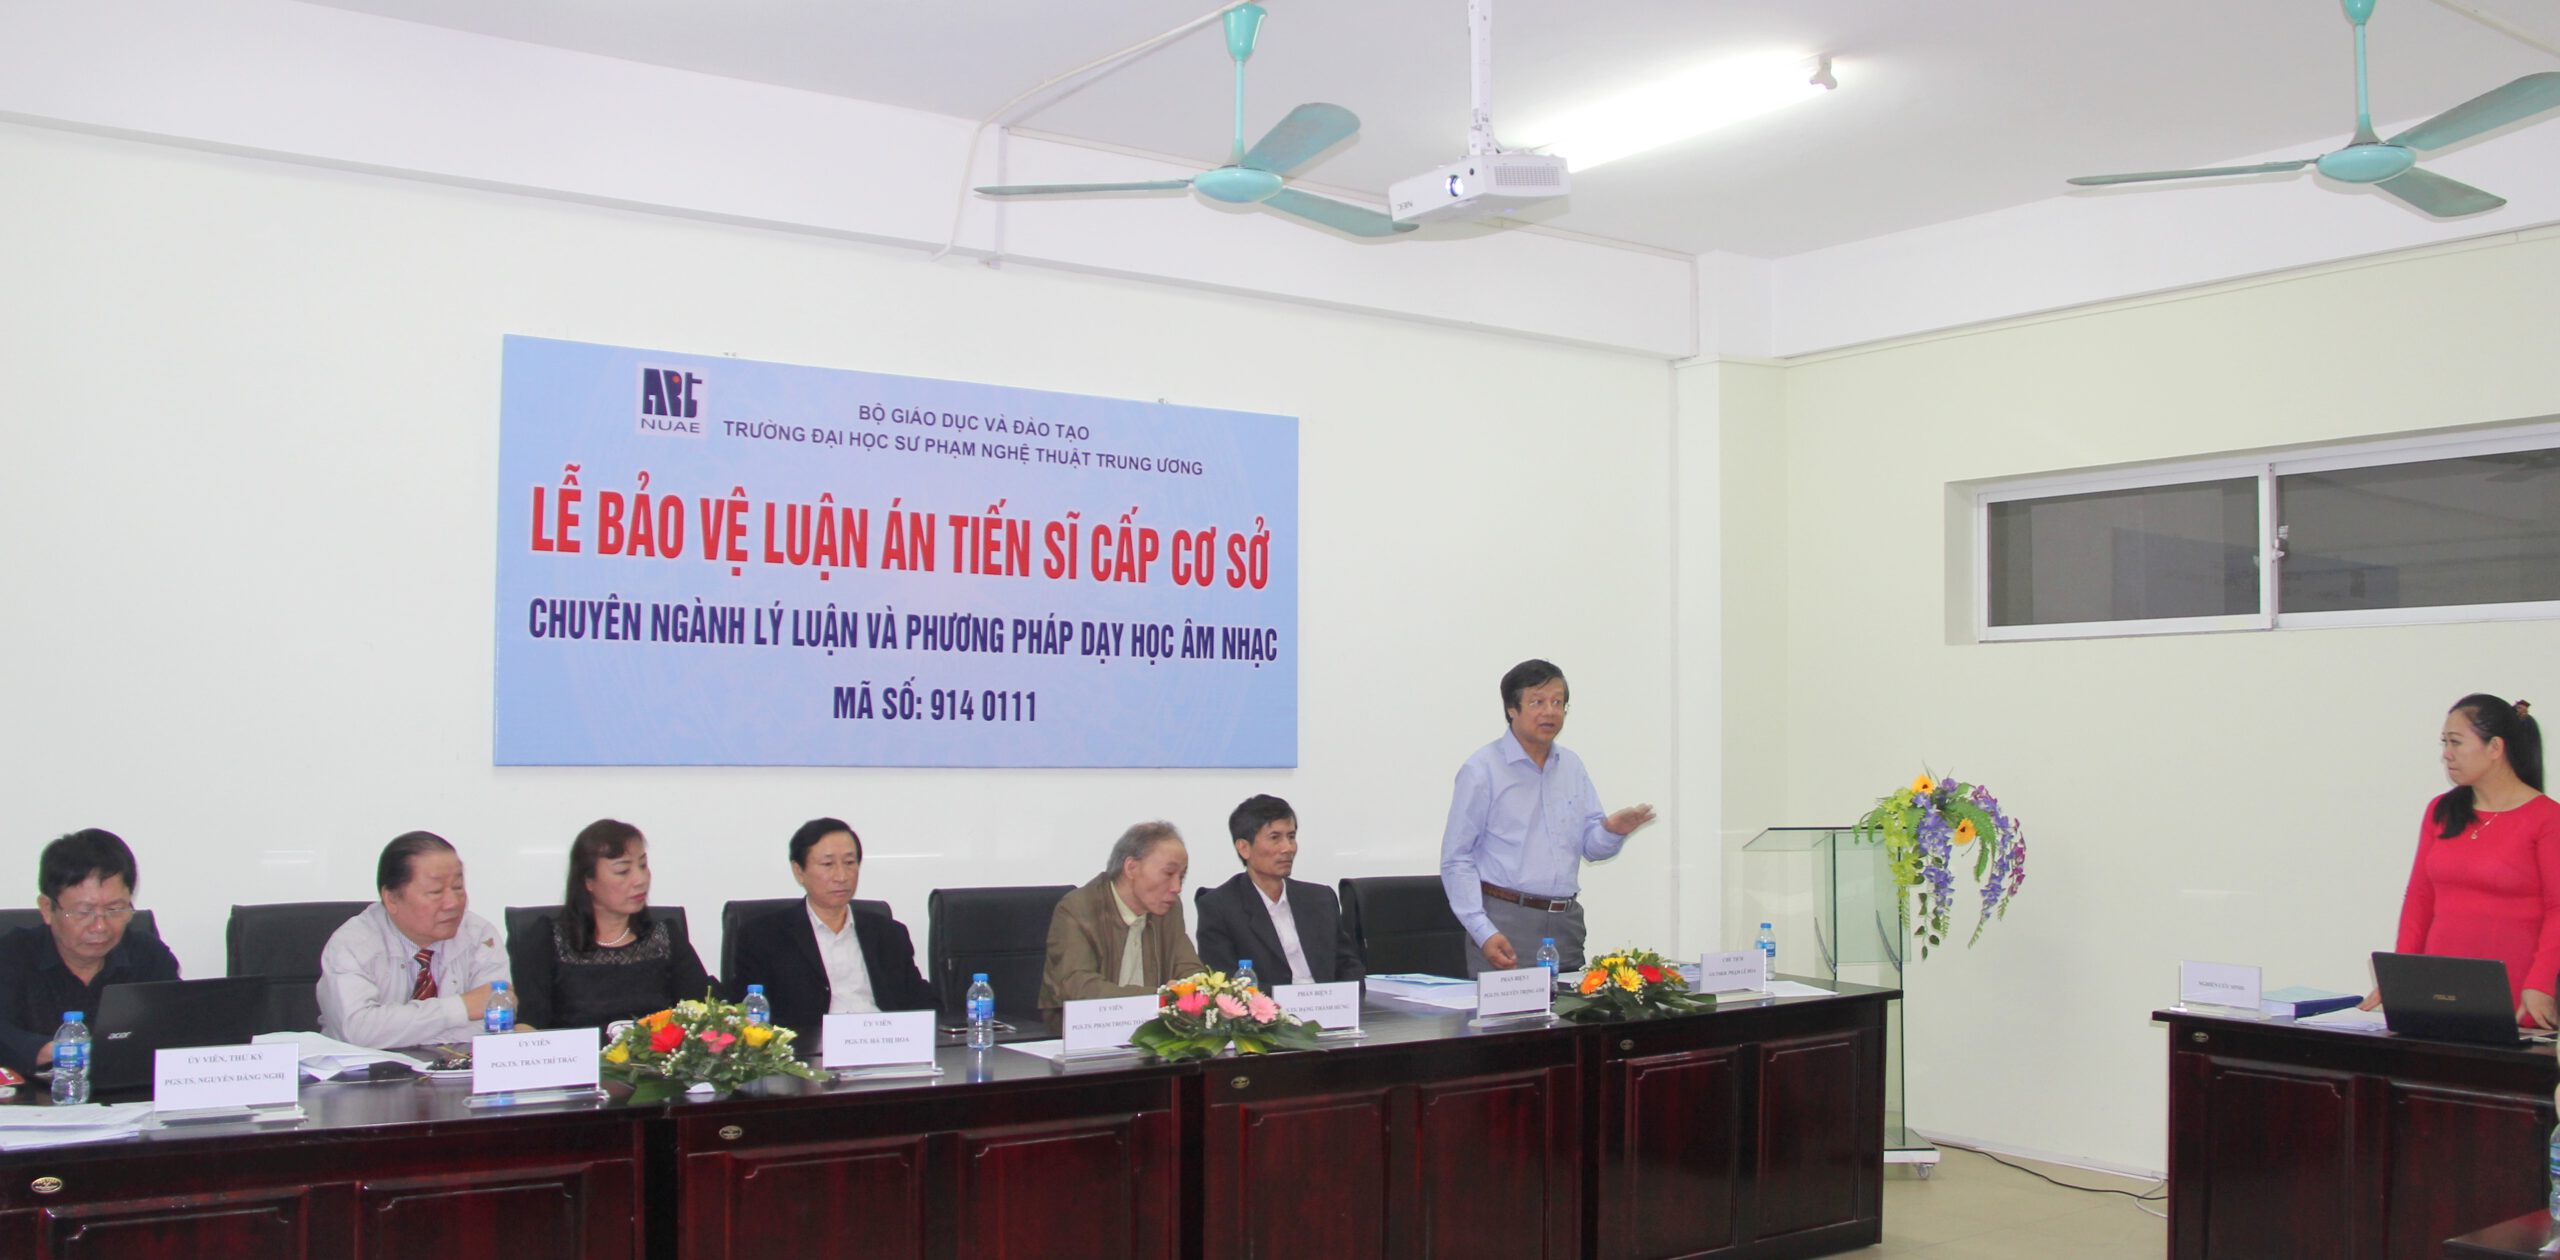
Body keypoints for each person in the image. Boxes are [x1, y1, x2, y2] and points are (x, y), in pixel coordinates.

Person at [1440, 658, 1656, 976]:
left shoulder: (1571, 766)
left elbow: (1592, 849)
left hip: (1566, 922)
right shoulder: (1482, 770)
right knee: (1511, 1010)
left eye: (1558, 702)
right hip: (1506, 922)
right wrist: (1482, 930)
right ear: (1512, 709)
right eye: (1537, 702)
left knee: (1571, 1008)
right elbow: (1456, 858)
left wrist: (1612, 831)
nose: (1550, 712)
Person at [2363, 695, 2557, 1025]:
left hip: (2517, 994)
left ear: (2495, 747)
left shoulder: (2546, 818)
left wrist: (2541, 984)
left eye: (2456, 742)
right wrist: (2401, 975)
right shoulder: (2441, 810)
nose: (2446, 754)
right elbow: (2420, 898)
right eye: (2445, 743)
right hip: (2439, 990)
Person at [725, 818, 935, 1037]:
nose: (841, 876)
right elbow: (749, 1017)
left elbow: (921, 1002)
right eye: (828, 864)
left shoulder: (888, 933)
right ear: (799, 871)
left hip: (884, 1046)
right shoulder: (763, 937)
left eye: (849, 862)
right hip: (810, 1051)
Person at [0, 829, 181, 1076]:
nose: (100, 926)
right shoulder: (10, 956)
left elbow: (179, 1027)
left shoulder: (148, 956)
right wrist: (52, 1051)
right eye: (84, 912)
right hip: (31, 1097)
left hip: (129, 1096)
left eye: (114, 909)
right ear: (47, 908)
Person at [509, 819, 713, 1031]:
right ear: (588, 881)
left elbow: (703, 1014)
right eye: (623, 871)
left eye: (643, 866)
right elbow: (529, 1024)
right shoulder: (548, 939)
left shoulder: (665, 937)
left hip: (655, 1053)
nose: (640, 879)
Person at [318, 831, 511, 1047]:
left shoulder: (479, 935)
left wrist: (395, 1031)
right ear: (391, 899)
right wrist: (461, 1008)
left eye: (458, 887)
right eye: (436, 892)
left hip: (457, 1065)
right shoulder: (352, 943)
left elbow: (495, 1024)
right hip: (366, 1068)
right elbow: (358, 1031)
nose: (453, 903)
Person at [1039, 821, 1205, 1026]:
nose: (1177, 887)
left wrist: (1192, 989)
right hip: (1087, 1030)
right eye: (1169, 874)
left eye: (1182, 876)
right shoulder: (1078, 908)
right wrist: (1161, 997)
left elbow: (1189, 968)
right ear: (1131, 868)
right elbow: (1079, 988)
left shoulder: (1169, 909)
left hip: (1152, 1033)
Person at [1194, 795, 1363, 986]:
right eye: (1275, 838)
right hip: (1269, 1004)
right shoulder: (1219, 908)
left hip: (1329, 1002)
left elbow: (1349, 966)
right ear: (1244, 848)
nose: (1288, 848)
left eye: (1291, 837)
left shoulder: (1320, 899)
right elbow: (1226, 986)